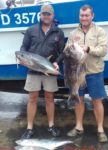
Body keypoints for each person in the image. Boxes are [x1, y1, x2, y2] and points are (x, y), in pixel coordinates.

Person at [20, 4, 65, 139]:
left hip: (49, 70)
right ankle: (29, 128)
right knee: (32, 99)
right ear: (40, 15)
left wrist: (57, 62)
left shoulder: (58, 32)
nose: (46, 16)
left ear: (53, 16)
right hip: (33, 69)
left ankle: (51, 126)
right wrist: (21, 57)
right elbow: (24, 47)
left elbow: (62, 52)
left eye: (48, 14)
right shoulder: (31, 30)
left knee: (49, 99)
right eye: (44, 14)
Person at [66, 4, 108, 142]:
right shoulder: (73, 33)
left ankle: (100, 130)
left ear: (92, 16)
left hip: (94, 72)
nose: (83, 18)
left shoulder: (100, 31)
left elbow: (103, 50)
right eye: (81, 15)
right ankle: (79, 127)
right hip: (77, 73)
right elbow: (67, 51)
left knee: (97, 101)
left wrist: (88, 49)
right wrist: (70, 48)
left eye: (86, 15)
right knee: (78, 100)